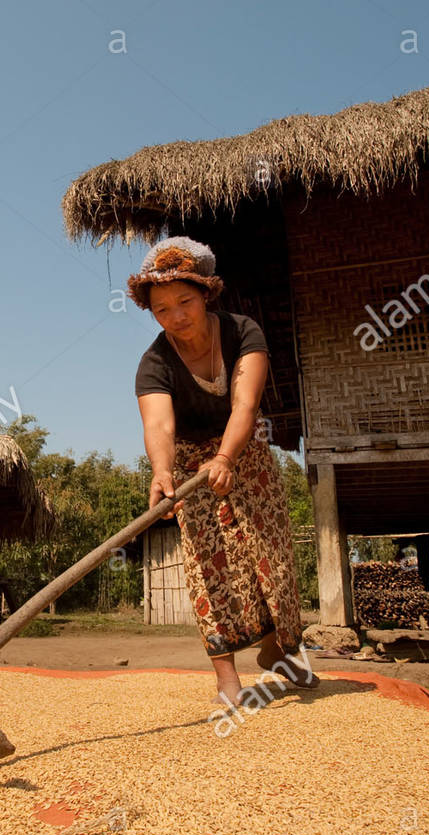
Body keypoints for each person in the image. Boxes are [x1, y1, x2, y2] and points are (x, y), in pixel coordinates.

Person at [130, 236, 318, 707]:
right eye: (161, 309)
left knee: (270, 554)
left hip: (246, 454)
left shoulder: (242, 331)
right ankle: (226, 677)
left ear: (206, 295)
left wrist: (228, 458)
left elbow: (246, 403)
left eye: (184, 302)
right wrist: (162, 471)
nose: (175, 317)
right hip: (192, 463)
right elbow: (158, 423)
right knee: (207, 562)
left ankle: (277, 651)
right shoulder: (154, 362)